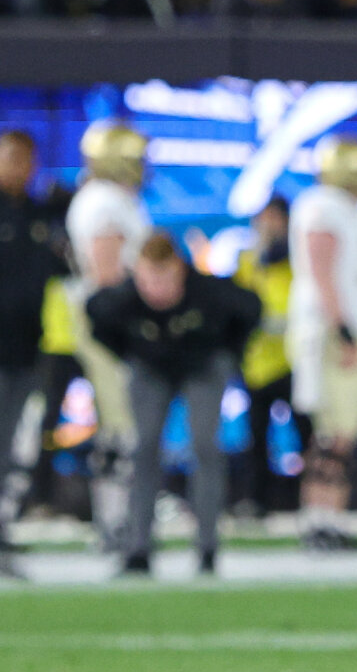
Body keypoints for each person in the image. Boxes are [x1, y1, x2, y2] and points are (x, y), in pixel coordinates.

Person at [87, 233, 260, 575]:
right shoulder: (122, 300)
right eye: (148, 280)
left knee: (205, 445)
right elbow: (97, 320)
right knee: (144, 447)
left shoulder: (211, 293)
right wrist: (131, 355)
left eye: (164, 280)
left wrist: (229, 355)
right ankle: (138, 548)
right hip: (150, 369)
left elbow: (251, 309)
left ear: (180, 270)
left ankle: (207, 547)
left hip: (203, 366)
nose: (156, 290)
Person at [287, 137, 357, 551]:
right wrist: (342, 329)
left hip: (347, 329)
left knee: (342, 434)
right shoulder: (322, 206)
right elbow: (321, 270)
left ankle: (331, 519)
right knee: (331, 435)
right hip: (330, 332)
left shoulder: (344, 209)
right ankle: (319, 521)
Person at [64, 121, 152, 548]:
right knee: (120, 423)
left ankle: (118, 516)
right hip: (111, 324)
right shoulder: (104, 201)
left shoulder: (107, 198)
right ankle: (116, 520)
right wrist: (130, 326)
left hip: (110, 321)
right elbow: (108, 274)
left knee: (120, 423)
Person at [0, 130, 59, 561]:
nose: (18, 167)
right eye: (10, 158)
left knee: (10, 443)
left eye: (25, 159)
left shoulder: (41, 215)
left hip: (27, 348)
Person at [231, 195, 304, 518]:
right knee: (257, 435)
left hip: (293, 358)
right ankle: (256, 499)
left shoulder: (298, 257)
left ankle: (310, 497)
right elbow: (239, 301)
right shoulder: (249, 260)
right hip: (258, 362)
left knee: (306, 431)